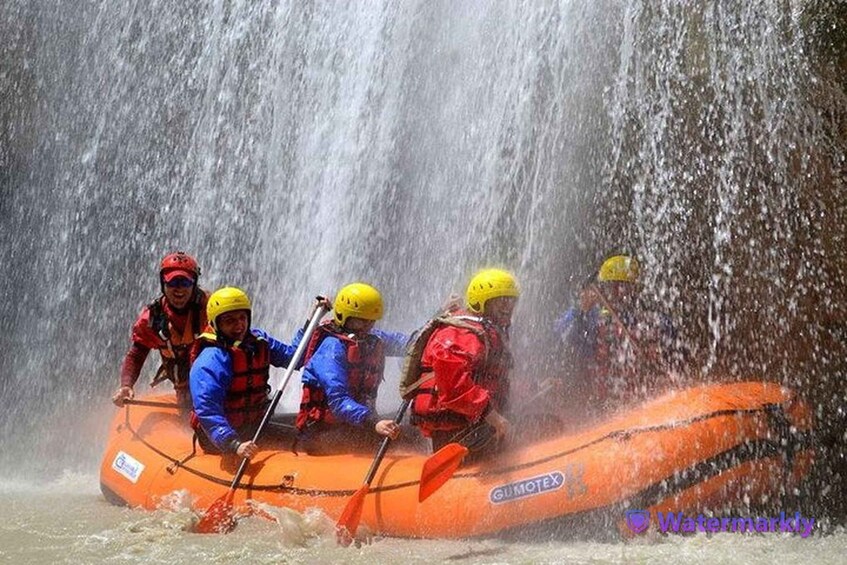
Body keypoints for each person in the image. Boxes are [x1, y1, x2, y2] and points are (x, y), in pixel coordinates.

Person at [409, 268, 519, 457]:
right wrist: (494, 417)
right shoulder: (460, 333)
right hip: (455, 432)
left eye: (511, 300)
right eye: (501, 300)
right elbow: (453, 386)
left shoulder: (485, 330)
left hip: (474, 422)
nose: (508, 306)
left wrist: (534, 387)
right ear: (482, 302)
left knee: (546, 423)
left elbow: (493, 378)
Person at [554, 254, 686, 410]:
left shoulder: (650, 319)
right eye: (609, 286)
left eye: (620, 286)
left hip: (639, 400)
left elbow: (673, 347)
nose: (613, 292)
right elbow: (561, 337)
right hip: (600, 400)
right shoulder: (589, 315)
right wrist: (581, 312)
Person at [295, 283, 408, 450]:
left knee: (409, 433)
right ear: (344, 316)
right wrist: (373, 422)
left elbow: (405, 343)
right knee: (385, 443)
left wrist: (433, 331)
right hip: (324, 432)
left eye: (371, 322)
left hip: (358, 423)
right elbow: (339, 401)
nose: (366, 327)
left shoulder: (370, 338)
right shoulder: (331, 347)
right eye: (360, 321)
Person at [189, 287, 298, 457]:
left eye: (242, 317)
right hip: (219, 438)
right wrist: (233, 444)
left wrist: (311, 325)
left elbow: (294, 358)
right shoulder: (211, 359)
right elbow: (207, 409)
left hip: (253, 426)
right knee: (296, 440)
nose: (239, 325)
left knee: (304, 433)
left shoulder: (258, 341)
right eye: (229, 320)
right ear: (216, 323)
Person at [112, 251, 208, 409]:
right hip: (184, 386)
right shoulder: (152, 318)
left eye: (185, 283)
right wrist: (126, 385)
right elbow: (137, 354)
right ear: (163, 284)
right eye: (172, 282)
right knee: (188, 409)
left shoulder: (212, 307)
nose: (179, 289)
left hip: (216, 380)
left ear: (194, 284)